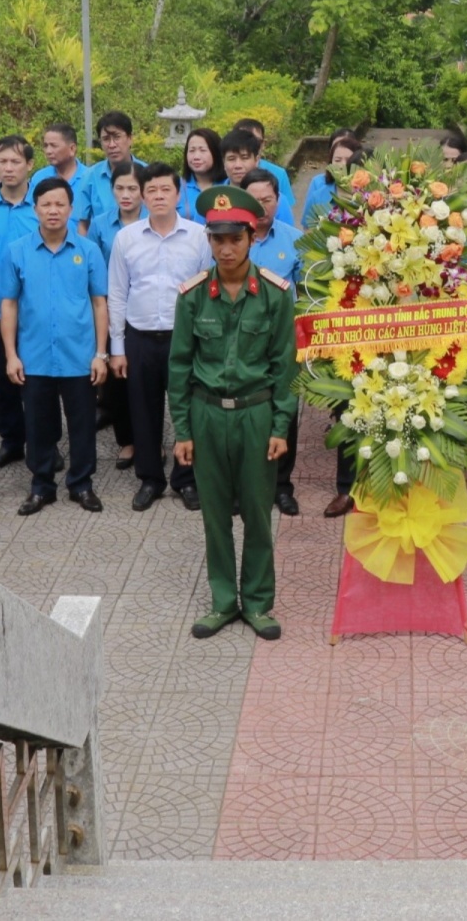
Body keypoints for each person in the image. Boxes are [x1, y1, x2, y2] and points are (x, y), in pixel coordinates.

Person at [169, 186, 298, 642]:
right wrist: (182, 430)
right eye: (218, 239)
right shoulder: (192, 297)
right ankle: (223, 601)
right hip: (206, 416)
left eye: (235, 239)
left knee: (258, 513)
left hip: (255, 414)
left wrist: (281, 427)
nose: (226, 249)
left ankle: (258, 602)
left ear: (251, 237)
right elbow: (179, 366)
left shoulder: (275, 295)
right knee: (215, 514)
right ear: (209, 240)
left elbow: (285, 368)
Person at [0, 178, 109, 516]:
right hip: (34, 356)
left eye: (60, 204)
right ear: (35, 209)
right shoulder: (16, 251)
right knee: (38, 425)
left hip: (79, 355)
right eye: (46, 204)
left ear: (71, 209)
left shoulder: (88, 251)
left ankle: (81, 484)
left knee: (82, 424)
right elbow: (9, 304)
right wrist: (11, 355)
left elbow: (99, 303)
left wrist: (101, 354)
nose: (53, 210)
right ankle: (41, 486)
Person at [110, 162, 214, 511]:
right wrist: (117, 348)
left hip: (183, 338)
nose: (158, 196)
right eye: (151, 190)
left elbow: (206, 291)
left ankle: (186, 479)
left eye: (165, 189)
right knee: (142, 410)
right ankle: (150, 478)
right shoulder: (126, 238)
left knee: (188, 409)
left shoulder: (199, 236)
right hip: (139, 337)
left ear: (178, 194)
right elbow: (117, 293)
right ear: (142, 195)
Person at [243, 168, 305, 517]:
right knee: (244, 415)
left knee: (284, 412)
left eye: (267, 199)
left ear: (278, 200)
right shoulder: (232, 238)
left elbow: (307, 295)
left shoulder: (295, 240)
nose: (262, 207)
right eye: (254, 200)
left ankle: (282, 486)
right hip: (241, 342)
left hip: (282, 343)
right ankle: (246, 486)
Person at [0, 136, 39, 468]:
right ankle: (12, 440)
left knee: (39, 381)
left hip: (37, 308)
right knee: (3, 381)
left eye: (15, 161)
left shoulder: (43, 205)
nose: (8, 168)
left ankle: (45, 442)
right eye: (2, 161)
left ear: (30, 165)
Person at [85, 160, 144, 456]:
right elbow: (94, 268)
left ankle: (151, 440)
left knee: (145, 380)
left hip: (146, 309)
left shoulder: (154, 219)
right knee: (118, 378)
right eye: (120, 188)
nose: (126, 195)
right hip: (112, 307)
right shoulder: (100, 224)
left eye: (132, 188)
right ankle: (127, 441)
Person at [76, 110, 145, 232]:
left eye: (117, 137)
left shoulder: (148, 174)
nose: (112, 145)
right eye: (106, 139)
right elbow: (83, 223)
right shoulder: (90, 176)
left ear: (130, 138)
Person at [219, 126, 297, 226]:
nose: (238, 165)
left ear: (257, 160)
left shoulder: (277, 200)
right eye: (231, 159)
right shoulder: (213, 199)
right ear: (223, 162)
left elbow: (286, 233)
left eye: (244, 158)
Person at [29, 123, 94, 231]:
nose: (48, 151)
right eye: (46, 146)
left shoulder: (90, 178)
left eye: (54, 146)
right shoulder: (39, 178)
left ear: (72, 149)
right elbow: (31, 215)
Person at [301, 133, 362, 226]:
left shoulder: (368, 197)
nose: (342, 165)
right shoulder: (317, 197)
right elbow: (308, 229)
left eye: (348, 159)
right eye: (337, 160)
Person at [179, 127, 228, 220]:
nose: (196, 157)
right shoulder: (177, 187)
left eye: (202, 150)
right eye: (192, 150)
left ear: (216, 153)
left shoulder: (228, 185)